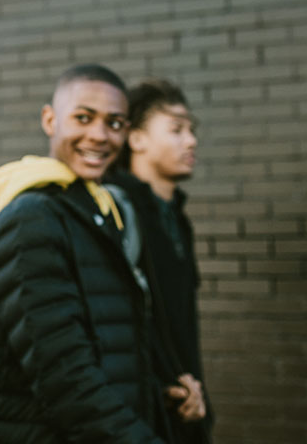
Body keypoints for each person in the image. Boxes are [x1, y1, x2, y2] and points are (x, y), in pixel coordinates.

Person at [0, 64, 168, 443]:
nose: (99, 135)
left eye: (115, 123)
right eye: (83, 118)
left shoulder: (97, 211)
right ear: (49, 119)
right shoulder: (29, 218)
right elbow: (64, 376)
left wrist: (162, 393)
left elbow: (113, 343)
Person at [109, 79, 211, 443]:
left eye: (191, 130)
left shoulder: (176, 217)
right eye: (176, 129)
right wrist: (163, 383)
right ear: (136, 139)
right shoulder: (118, 213)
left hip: (186, 404)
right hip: (145, 409)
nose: (191, 141)